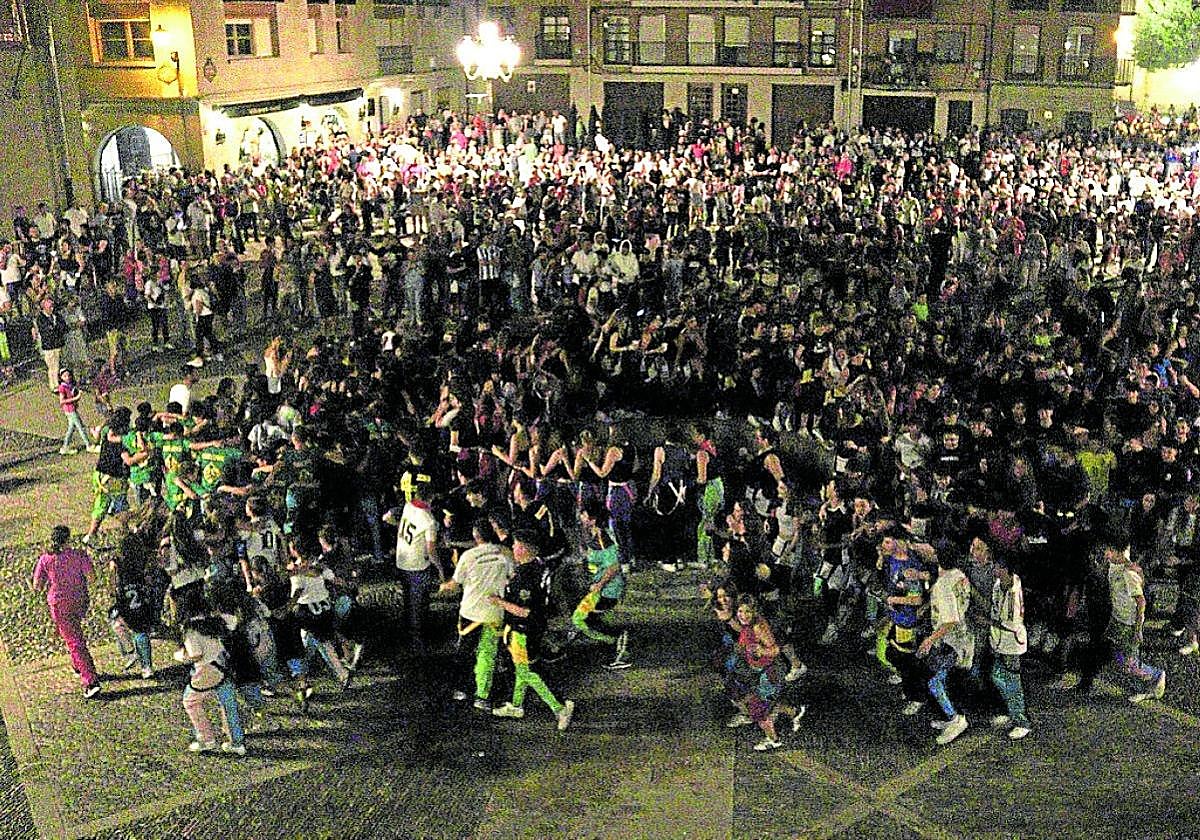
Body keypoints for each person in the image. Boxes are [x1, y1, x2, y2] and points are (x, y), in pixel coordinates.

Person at [490, 532, 575, 730]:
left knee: (527, 672)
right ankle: (516, 705)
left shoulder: (525, 577)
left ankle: (560, 707)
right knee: (522, 668)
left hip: (523, 631)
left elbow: (524, 611)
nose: (512, 548)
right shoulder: (539, 567)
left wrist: (498, 601)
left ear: (524, 549)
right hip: (534, 627)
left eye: (515, 545)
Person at [439, 519, 513, 710]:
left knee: (464, 652)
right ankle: (482, 696)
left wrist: (443, 586)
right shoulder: (505, 554)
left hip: (471, 612)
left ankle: (461, 689)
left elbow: (454, 584)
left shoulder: (468, 556)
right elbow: (511, 578)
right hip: (494, 613)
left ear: (476, 536)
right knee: (487, 654)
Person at [32, 525, 101, 699]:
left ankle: (90, 680)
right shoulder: (79, 555)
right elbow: (92, 578)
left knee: (74, 642)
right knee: (74, 635)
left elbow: (37, 586)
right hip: (80, 601)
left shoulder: (45, 559)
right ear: (68, 539)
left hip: (60, 605)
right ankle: (78, 665)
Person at [176, 597, 247, 755]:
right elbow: (235, 620)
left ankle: (206, 739)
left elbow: (196, 654)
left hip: (206, 670)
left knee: (190, 702)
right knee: (228, 704)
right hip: (224, 665)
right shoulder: (217, 621)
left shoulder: (190, 629)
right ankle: (237, 742)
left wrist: (181, 657)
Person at [919, 548, 974, 745]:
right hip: (963, 638)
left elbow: (950, 620)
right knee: (948, 680)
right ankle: (951, 717)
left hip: (951, 642)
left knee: (936, 682)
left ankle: (956, 719)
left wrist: (930, 640)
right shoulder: (959, 575)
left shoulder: (943, 585)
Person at [383, 481, 443, 657]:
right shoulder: (428, 520)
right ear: (431, 497)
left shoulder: (409, 506)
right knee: (418, 603)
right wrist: (440, 568)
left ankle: (409, 629)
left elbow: (391, 518)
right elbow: (431, 550)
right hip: (417, 566)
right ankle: (417, 642)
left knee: (409, 599)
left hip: (402, 561)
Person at [570, 500, 630, 670]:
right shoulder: (595, 535)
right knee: (584, 615)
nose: (581, 517)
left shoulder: (603, 539)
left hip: (607, 591)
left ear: (593, 519)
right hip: (598, 588)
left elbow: (614, 566)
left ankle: (616, 640)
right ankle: (606, 636)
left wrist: (599, 585)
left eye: (584, 514)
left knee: (579, 619)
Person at [1103, 544, 1167, 704]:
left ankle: (1155, 676)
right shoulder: (1114, 566)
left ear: (1118, 551)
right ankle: (1140, 684)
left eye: (1109, 550)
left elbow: (1141, 602)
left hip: (1129, 623)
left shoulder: (1129, 573)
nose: (1105, 554)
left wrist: (1138, 630)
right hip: (1117, 619)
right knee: (1120, 657)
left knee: (1130, 662)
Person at [988, 555, 1032, 740]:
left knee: (1012, 682)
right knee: (997, 675)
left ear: (1005, 570)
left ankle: (1022, 722)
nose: (994, 569)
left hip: (1011, 643)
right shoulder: (1000, 584)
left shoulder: (1013, 594)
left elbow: (1010, 623)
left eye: (997, 566)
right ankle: (1011, 712)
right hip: (1000, 641)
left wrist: (987, 622)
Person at [57, 368, 97, 455]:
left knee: (71, 428)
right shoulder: (62, 387)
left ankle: (65, 447)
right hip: (70, 410)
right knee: (80, 427)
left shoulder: (69, 386)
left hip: (72, 409)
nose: (67, 377)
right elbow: (62, 401)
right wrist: (76, 398)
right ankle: (88, 445)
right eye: (65, 376)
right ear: (61, 377)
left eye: (69, 375)